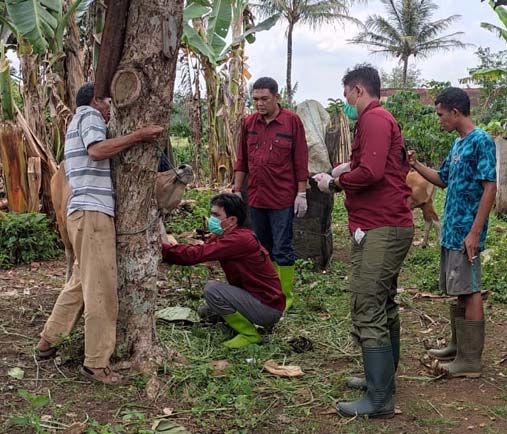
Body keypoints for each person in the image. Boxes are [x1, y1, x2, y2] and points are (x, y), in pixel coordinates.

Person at [36, 82, 163, 385]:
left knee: (81, 281)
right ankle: (96, 363)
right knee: (102, 289)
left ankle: (49, 340)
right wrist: (138, 136)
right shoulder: (89, 117)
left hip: (81, 213)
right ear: (95, 101)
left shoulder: (74, 122)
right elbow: (96, 151)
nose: (110, 110)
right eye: (107, 102)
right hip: (93, 213)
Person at [314, 64, 414, 419]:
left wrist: (336, 183)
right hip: (385, 223)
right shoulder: (379, 120)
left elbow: (371, 173)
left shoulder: (373, 119)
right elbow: (374, 165)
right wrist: (346, 167)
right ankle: (381, 380)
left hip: (381, 226)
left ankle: (380, 398)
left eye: (346, 97)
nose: (347, 103)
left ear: (357, 90)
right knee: (383, 303)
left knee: (367, 304)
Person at [408, 87, 497, 378]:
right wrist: (416, 165)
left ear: (455, 112)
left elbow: (490, 188)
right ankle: (458, 347)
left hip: (466, 231)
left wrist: (474, 232)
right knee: (459, 289)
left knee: (470, 290)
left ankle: (470, 360)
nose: (439, 120)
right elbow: (443, 180)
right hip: (452, 229)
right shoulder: (458, 144)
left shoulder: (481, 141)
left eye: (441, 114)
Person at [161, 193, 285, 348]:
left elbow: (195, 255)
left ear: (232, 220)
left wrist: (161, 249)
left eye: (216, 215)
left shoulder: (238, 240)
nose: (211, 219)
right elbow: (204, 248)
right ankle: (245, 320)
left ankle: (249, 334)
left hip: (267, 308)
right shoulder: (234, 235)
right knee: (207, 311)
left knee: (212, 290)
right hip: (261, 300)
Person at [233, 77, 309, 311]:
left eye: (264, 98)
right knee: (261, 248)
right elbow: (242, 159)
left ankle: (284, 297)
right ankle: (266, 292)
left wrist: (301, 193)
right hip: (256, 197)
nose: (259, 104)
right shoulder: (249, 123)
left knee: (282, 248)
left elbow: (300, 159)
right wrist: (237, 190)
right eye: (255, 99)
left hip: (282, 198)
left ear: (277, 97)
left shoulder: (291, 122)